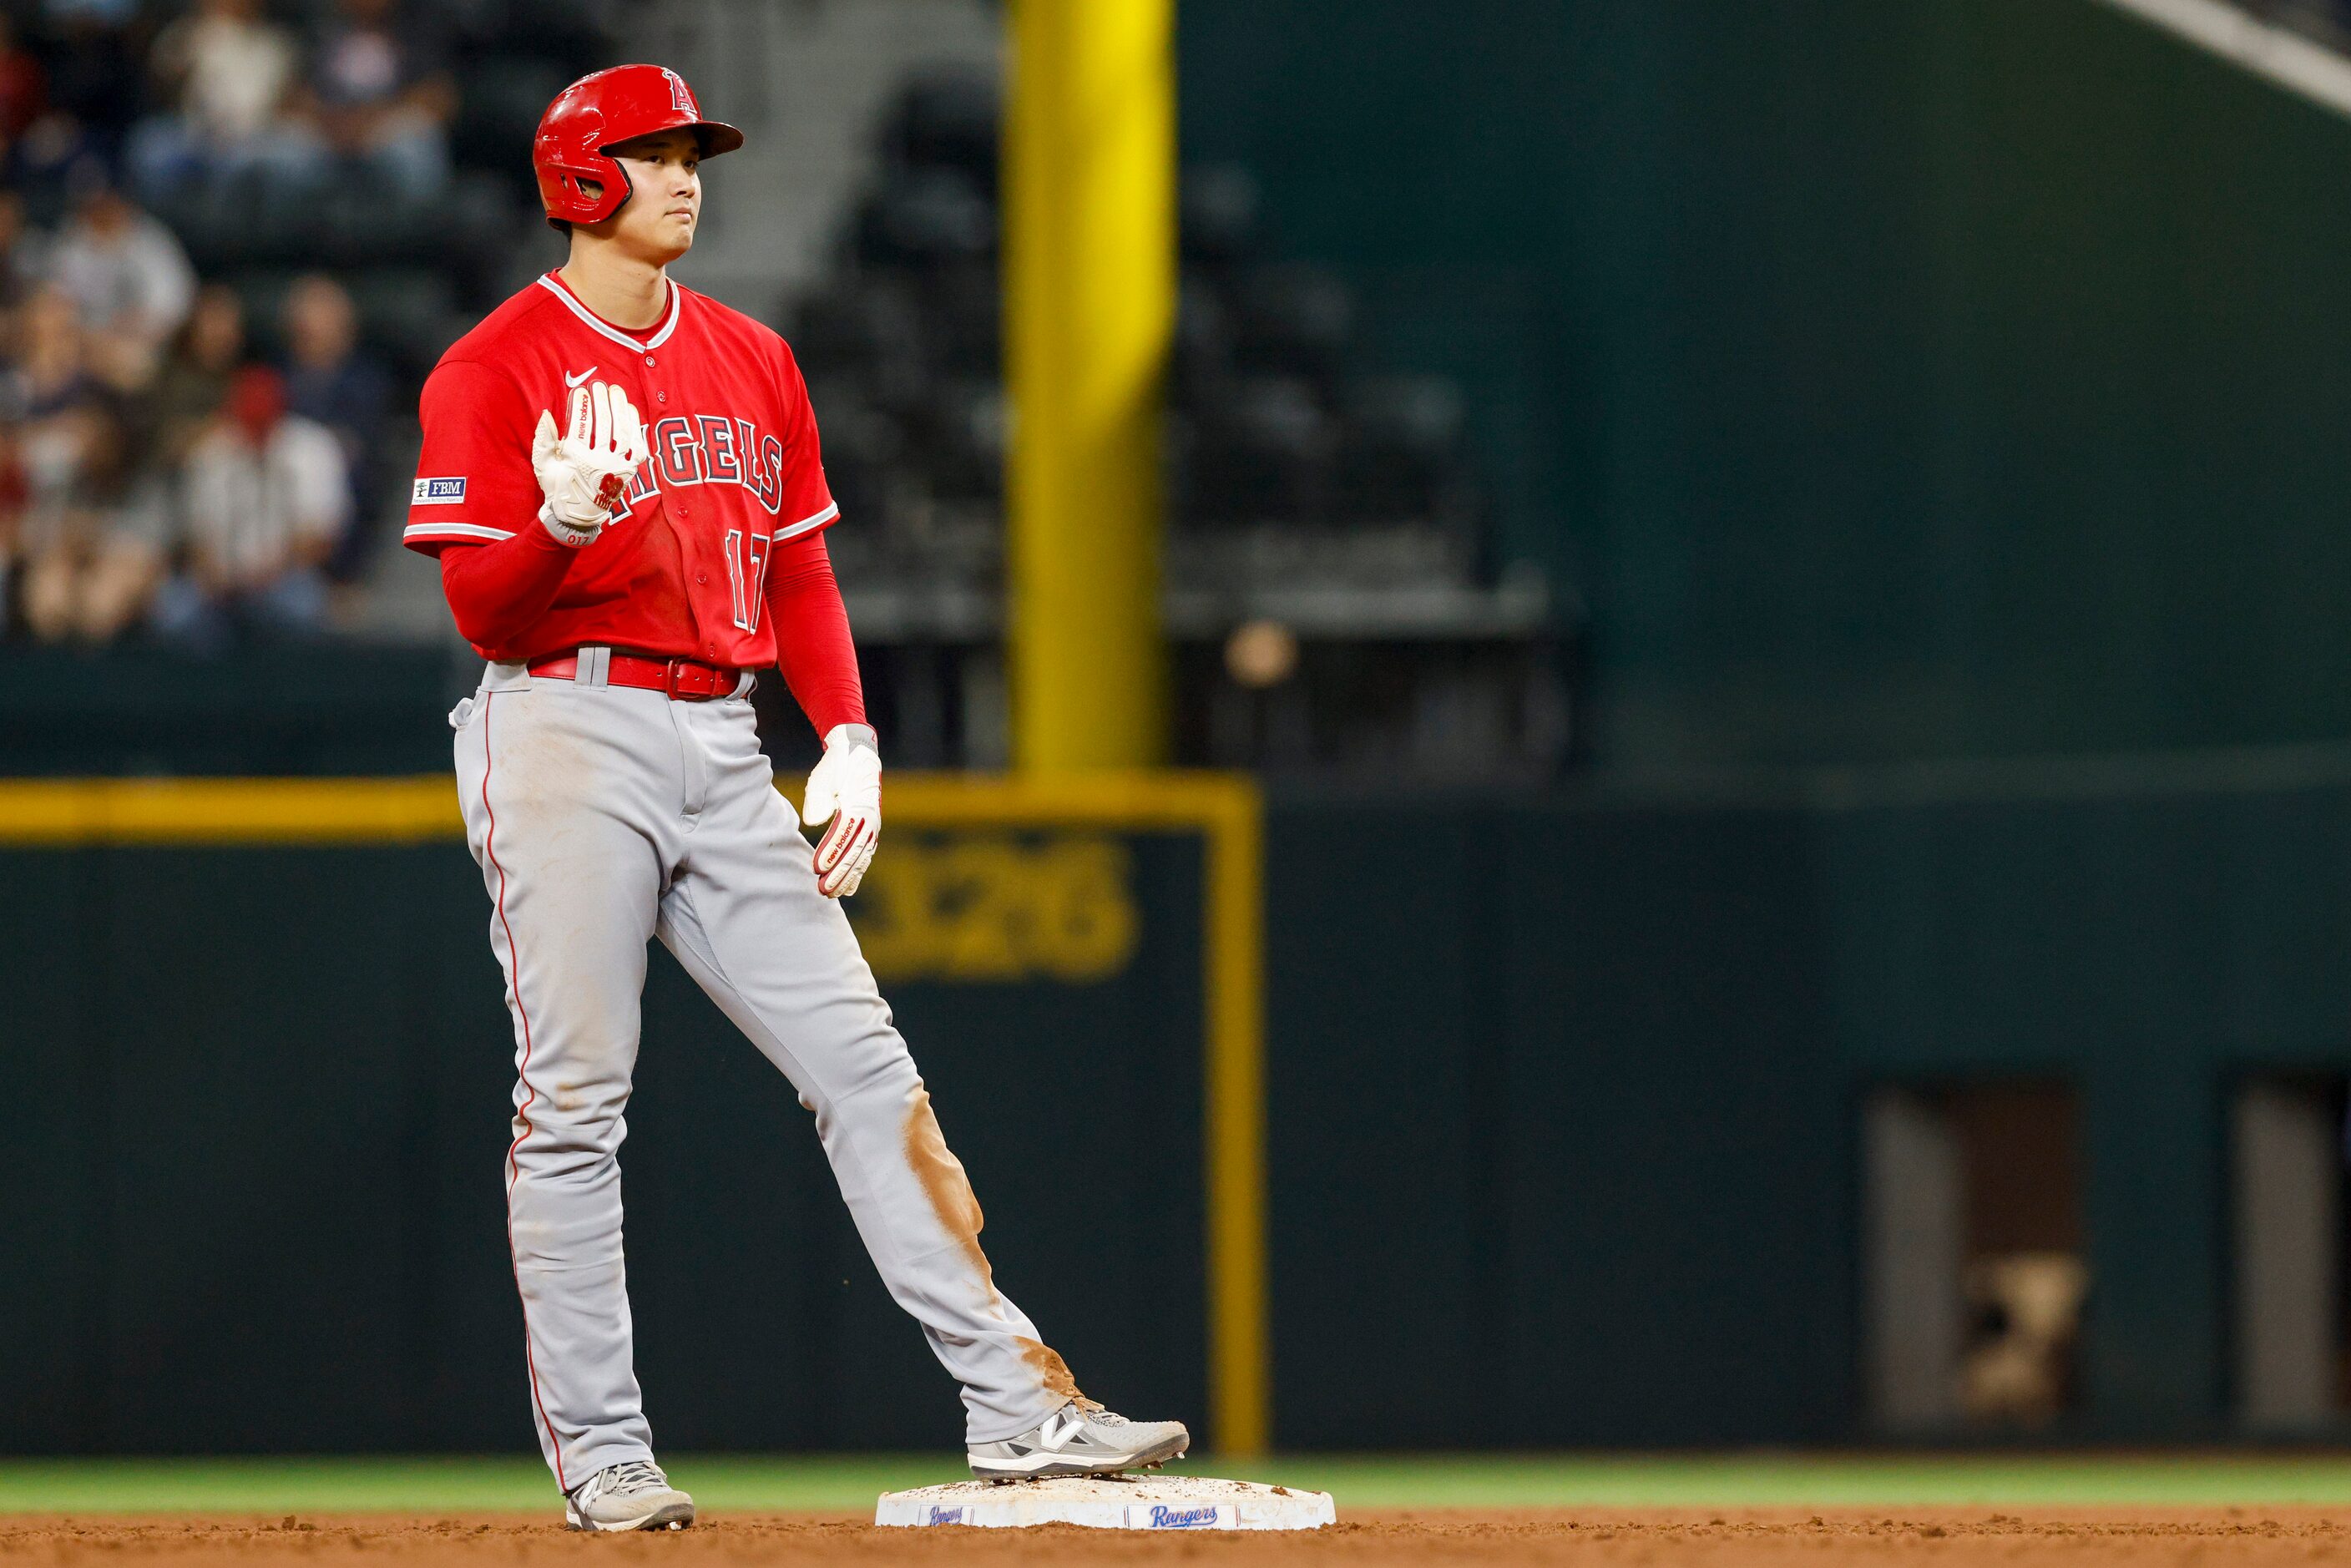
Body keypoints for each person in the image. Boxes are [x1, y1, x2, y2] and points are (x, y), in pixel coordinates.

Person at [401, 66, 1188, 1534]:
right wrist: (559, 528)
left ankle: (1018, 1406)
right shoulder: (494, 366)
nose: (685, 176)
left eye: (693, 153)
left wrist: (849, 730)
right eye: (652, 155)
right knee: (573, 1100)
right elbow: (485, 610)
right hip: (563, 725)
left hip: (724, 733)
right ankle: (605, 1450)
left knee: (869, 1071)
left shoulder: (755, 357)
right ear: (581, 178)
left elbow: (803, 567)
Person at [159, 362, 346, 645]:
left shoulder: (311, 447)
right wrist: (216, 574)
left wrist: (269, 570)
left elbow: (321, 537)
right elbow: (196, 537)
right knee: (172, 611)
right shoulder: (213, 452)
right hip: (220, 585)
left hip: (287, 578)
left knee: (304, 606)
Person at [43, 159, 197, 391]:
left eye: (105, 200)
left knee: (134, 362)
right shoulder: (70, 241)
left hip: (137, 344)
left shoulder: (151, 241)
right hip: (82, 344)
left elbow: (172, 309)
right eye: (91, 203)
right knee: (48, 355)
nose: (99, 208)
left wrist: (123, 331)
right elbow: (53, 304)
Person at [126, 0, 302, 200]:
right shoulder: (190, 33)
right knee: (148, 146)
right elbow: (161, 80)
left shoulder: (273, 43)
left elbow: (289, 99)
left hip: (256, 140)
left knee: (298, 156)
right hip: (193, 136)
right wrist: (201, 35)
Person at [286, 0, 455, 200]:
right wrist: (331, 121)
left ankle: (415, 227)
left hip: (390, 127)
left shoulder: (416, 33)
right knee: (280, 156)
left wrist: (374, 120)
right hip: (327, 131)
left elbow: (439, 95)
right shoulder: (320, 32)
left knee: (412, 152)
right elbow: (295, 94)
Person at [281, 273, 388, 579]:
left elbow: (360, 445)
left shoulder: (365, 382)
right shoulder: (278, 379)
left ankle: (344, 579)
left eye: (324, 313)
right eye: (306, 313)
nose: (312, 324)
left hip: (343, 495)